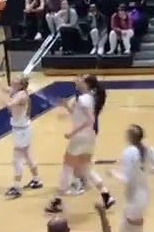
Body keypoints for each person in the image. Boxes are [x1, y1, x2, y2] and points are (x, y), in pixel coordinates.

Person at [47, 75, 114, 214]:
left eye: (81, 78)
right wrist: (67, 106)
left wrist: (72, 133)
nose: (77, 79)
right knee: (85, 169)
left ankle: (57, 200)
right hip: (88, 138)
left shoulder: (84, 99)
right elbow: (79, 116)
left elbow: (90, 120)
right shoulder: (88, 98)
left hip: (80, 138)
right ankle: (106, 195)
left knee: (67, 167)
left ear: (87, 84)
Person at [0, 75, 43, 199]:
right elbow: (7, 89)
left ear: (21, 85)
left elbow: (9, 104)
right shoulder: (17, 91)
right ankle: (37, 180)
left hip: (21, 131)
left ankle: (16, 187)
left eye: (16, 80)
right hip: (22, 128)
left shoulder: (21, 95)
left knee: (16, 159)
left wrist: (1, 98)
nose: (13, 80)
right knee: (28, 156)